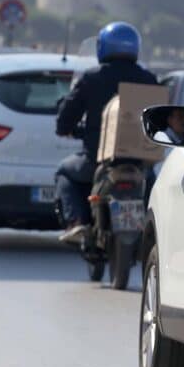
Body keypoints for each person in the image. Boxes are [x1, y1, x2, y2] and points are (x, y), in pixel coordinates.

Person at [54, 21, 158, 245]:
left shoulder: (92, 78)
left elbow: (65, 120)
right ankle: (153, 232)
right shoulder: (149, 80)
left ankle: (76, 222)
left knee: (64, 172)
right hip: (139, 163)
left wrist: (69, 129)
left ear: (102, 47)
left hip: (96, 160)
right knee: (152, 183)